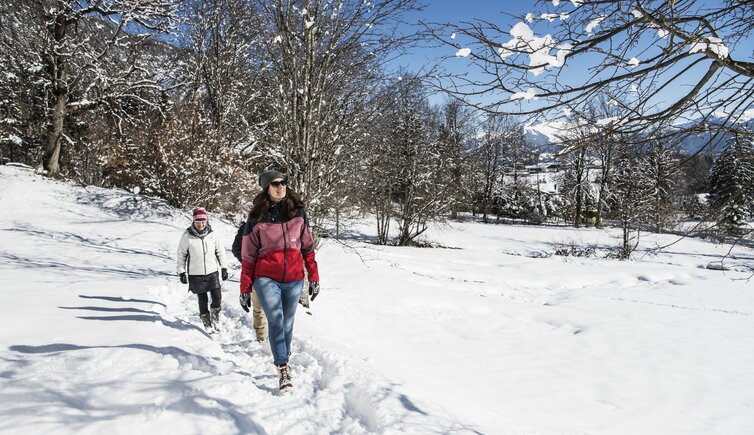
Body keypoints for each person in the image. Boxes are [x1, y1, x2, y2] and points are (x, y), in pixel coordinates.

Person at [239, 170, 320, 393]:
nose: (280, 187)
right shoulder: (256, 218)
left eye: (283, 183)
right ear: (267, 188)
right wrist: (245, 287)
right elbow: (248, 257)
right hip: (266, 277)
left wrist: (313, 276)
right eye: (275, 184)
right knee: (276, 318)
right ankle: (282, 367)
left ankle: (283, 351)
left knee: (287, 323)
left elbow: (308, 249)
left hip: (294, 279)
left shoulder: (299, 213)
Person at [177, 208, 229, 332]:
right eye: (198, 222)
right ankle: (206, 322)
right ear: (194, 222)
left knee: (217, 297)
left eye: (203, 222)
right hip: (196, 274)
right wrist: (181, 271)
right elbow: (181, 254)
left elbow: (220, 251)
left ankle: (215, 317)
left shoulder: (212, 234)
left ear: (206, 222)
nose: (201, 225)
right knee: (203, 299)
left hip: (212, 272)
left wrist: (224, 267)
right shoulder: (187, 235)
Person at [232, 222, 267, 341]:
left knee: (276, 310)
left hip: (274, 275)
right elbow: (236, 248)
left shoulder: (276, 225)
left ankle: (276, 342)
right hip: (254, 275)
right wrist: (247, 263)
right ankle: (261, 339)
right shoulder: (246, 227)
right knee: (259, 309)